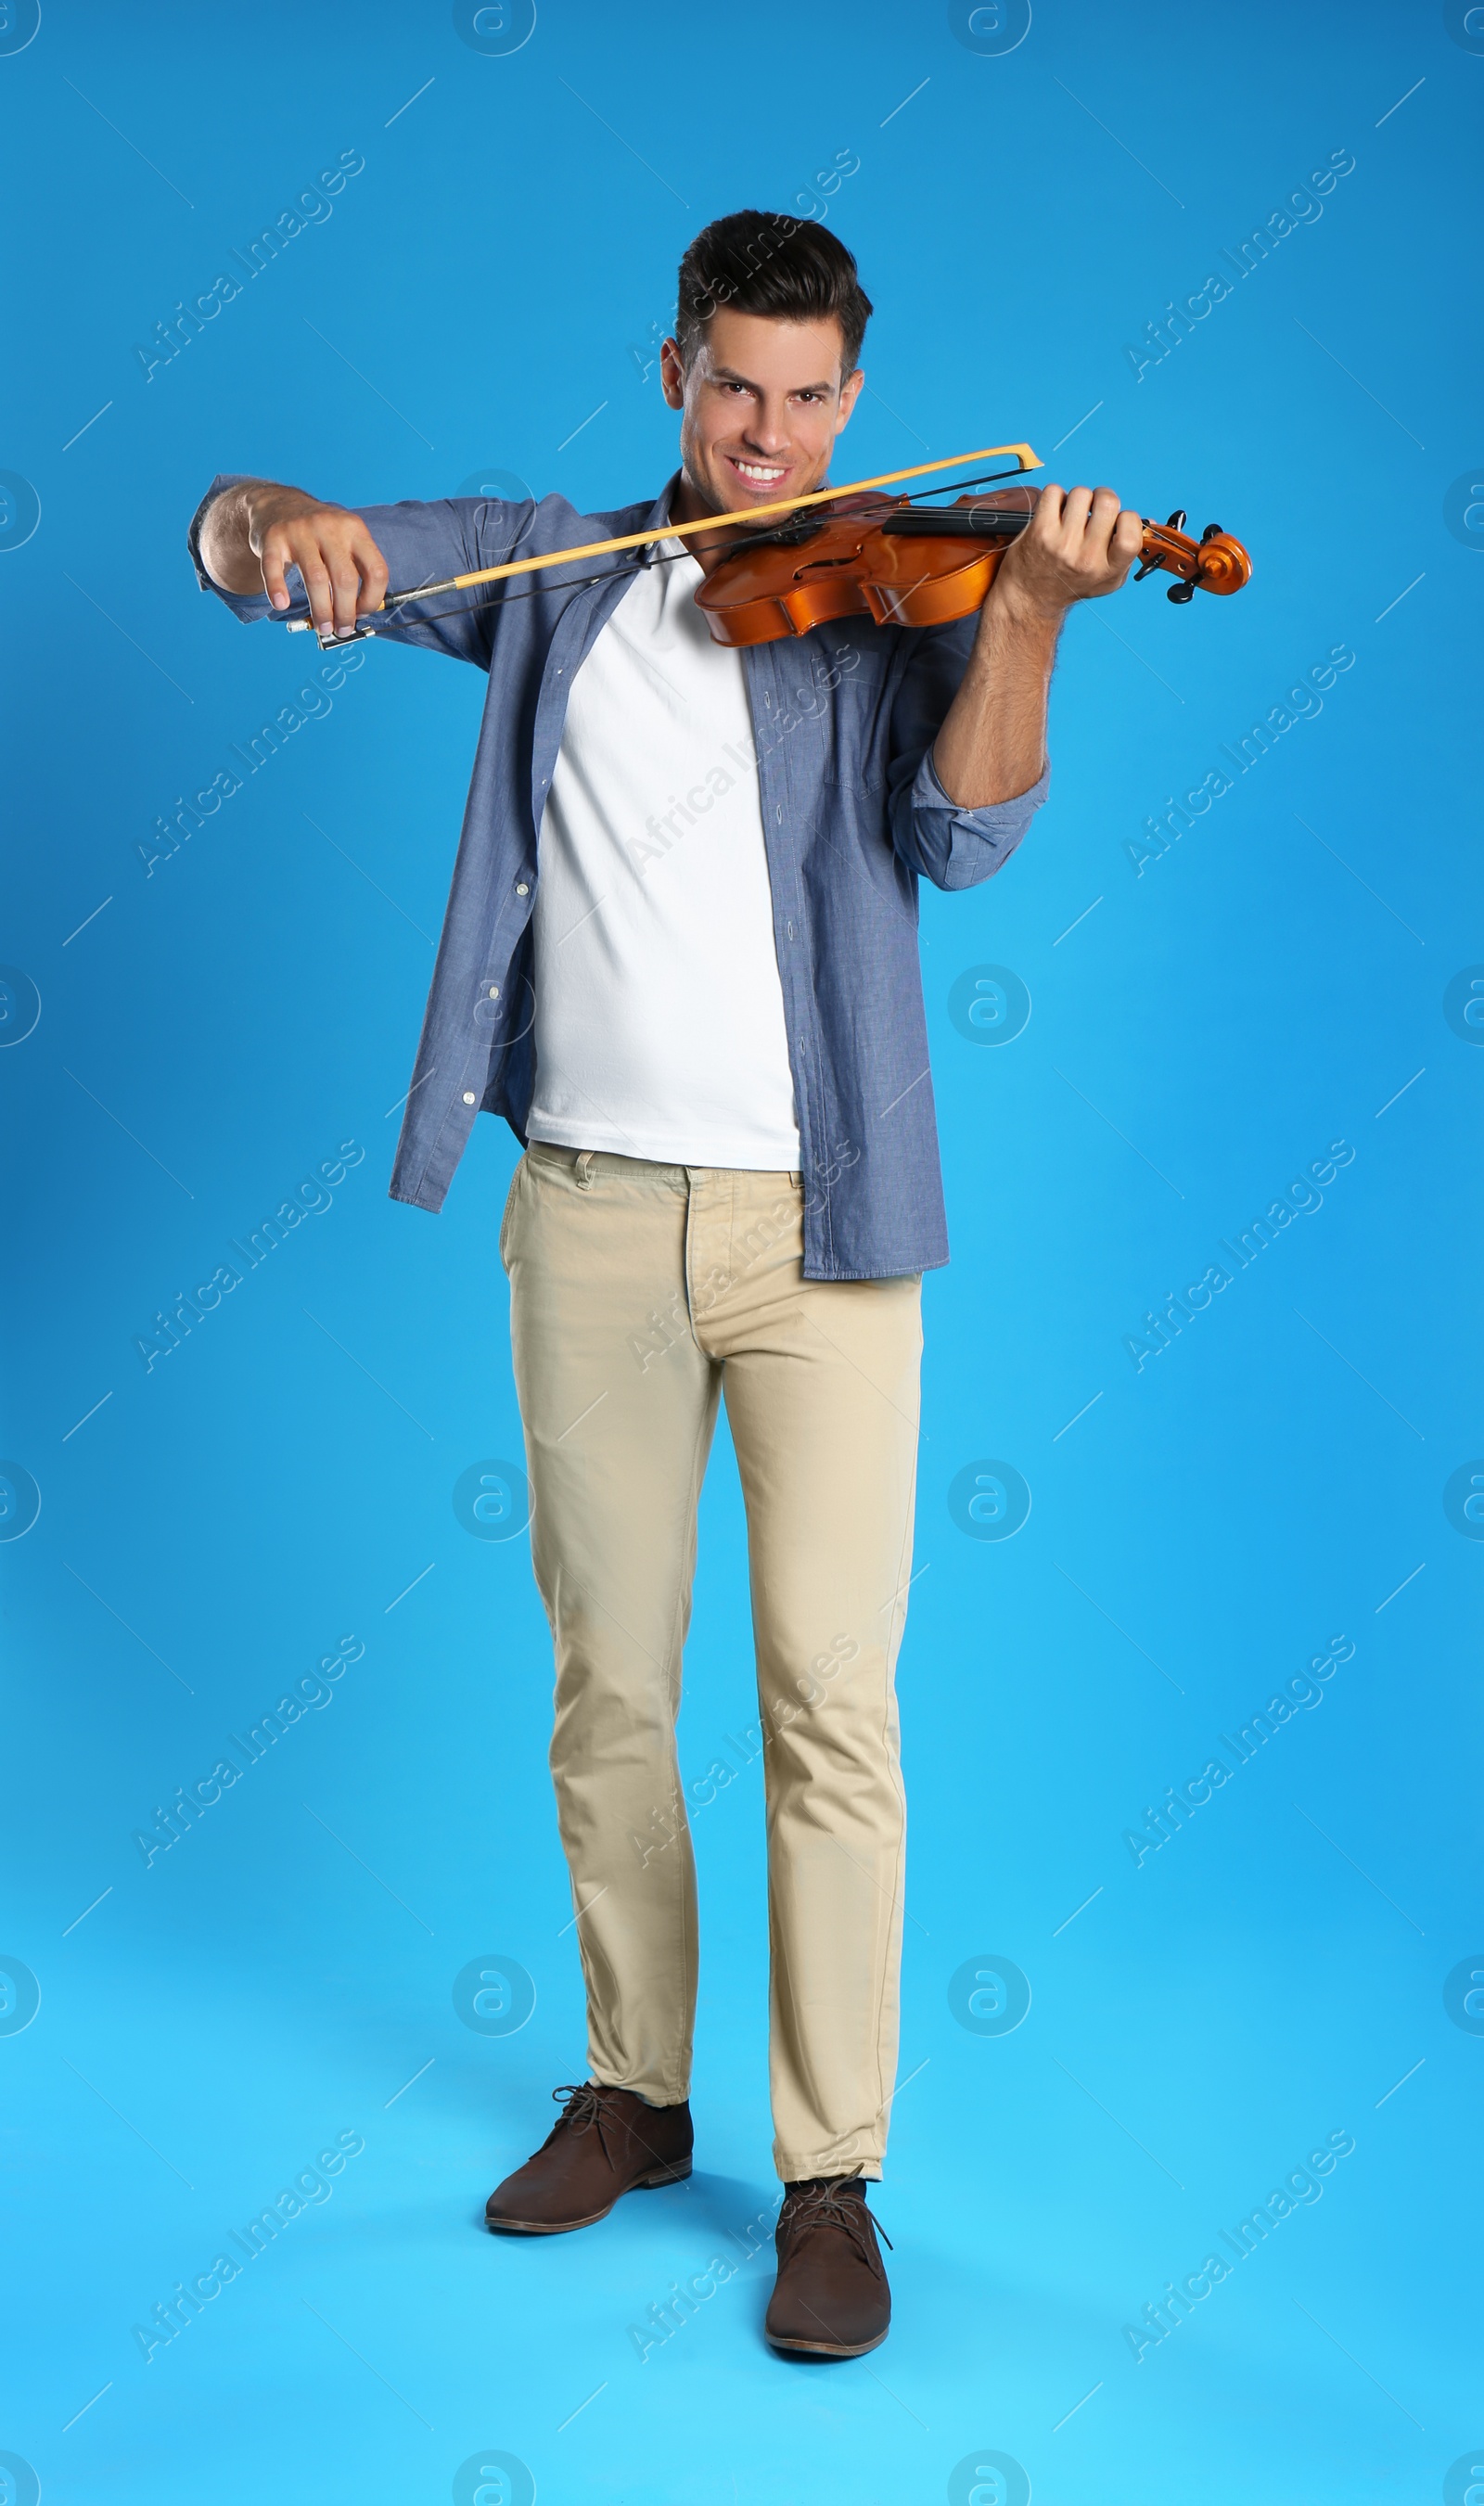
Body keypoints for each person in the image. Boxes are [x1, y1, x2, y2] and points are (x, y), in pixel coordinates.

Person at [189, 210, 1142, 2359]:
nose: (766, 432)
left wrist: (1043, 618)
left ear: (851, 400)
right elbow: (252, 539)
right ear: (669, 373)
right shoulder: (546, 574)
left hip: (826, 1239)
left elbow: (971, 836)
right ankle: (632, 2090)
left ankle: (830, 2179)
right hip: (596, 1213)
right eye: (735, 387)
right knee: (606, 1679)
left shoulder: (896, 594)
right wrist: (282, 527)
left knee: (830, 1704)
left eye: (808, 398)